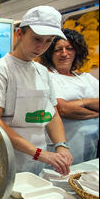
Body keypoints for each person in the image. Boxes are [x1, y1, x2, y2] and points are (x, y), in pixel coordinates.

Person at [0, 6, 73, 176]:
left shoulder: (42, 71)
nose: (41, 46)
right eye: (37, 39)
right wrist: (38, 153)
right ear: (19, 34)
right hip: (7, 157)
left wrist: (61, 146)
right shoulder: (0, 70)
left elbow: (52, 114)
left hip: (39, 159)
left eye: (48, 41)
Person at [40, 28, 99, 165]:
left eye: (69, 48)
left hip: (91, 145)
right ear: (50, 53)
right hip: (63, 147)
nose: (64, 53)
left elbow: (70, 108)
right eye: (58, 49)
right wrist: (95, 110)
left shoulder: (86, 78)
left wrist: (81, 104)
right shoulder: (48, 77)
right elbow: (63, 110)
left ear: (76, 51)